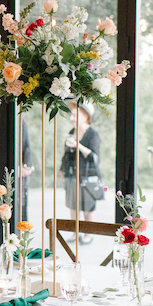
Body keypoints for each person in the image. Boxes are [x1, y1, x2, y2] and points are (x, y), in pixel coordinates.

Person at [0, 117, 34, 230]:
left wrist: (26, 166)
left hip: (15, 165)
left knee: (15, 195)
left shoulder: (20, 121)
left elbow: (26, 144)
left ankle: (19, 225)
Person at [60, 101, 102, 238]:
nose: (72, 119)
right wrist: (62, 171)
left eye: (75, 115)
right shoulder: (72, 132)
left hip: (88, 175)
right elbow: (66, 155)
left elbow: (94, 157)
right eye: (71, 116)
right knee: (73, 204)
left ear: (85, 115)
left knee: (88, 205)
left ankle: (88, 233)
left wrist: (78, 145)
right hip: (72, 175)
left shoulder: (93, 134)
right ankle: (74, 232)